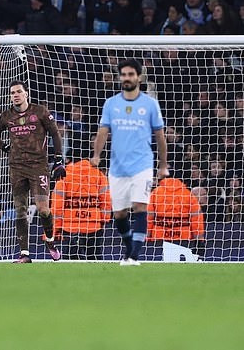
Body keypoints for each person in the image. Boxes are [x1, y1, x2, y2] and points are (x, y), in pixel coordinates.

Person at [91, 59, 169, 266]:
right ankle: (129, 248)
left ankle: (134, 255)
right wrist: (97, 155)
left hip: (142, 165)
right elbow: (103, 131)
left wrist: (163, 165)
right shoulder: (111, 103)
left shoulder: (150, 104)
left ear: (139, 77)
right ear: (120, 78)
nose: (127, 78)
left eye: (131, 74)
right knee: (119, 213)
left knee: (140, 206)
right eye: (124, 74)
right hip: (117, 167)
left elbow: (160, 135)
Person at [0, 80, 66, 263]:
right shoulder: (6, 116)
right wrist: (5, 148)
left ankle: (50, 240)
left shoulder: (40, 112)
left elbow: (55, 133)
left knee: (43, 209)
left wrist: (58, 158)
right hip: (17, 167)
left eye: (18, 92)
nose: (15, 95)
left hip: (39, 166)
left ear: (26, 94)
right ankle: (24, 254)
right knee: (20, 210)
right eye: (12, 93)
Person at [51, 145, 111, 260]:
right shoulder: (98, 174)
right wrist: (104, 219)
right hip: (94, 225)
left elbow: (57, 205)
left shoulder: (64, 175)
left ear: (69, 159)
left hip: (71, 226)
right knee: (94, 259)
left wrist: (57, 228)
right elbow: (106, 200)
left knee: (71, 260)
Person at [147, 177, 206, 260]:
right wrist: (199, 239)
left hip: (159, 237)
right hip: (183, 237)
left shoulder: (155, 193)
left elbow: (149, 217)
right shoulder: (187, 193)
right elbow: (196, 219)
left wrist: (147, 236)